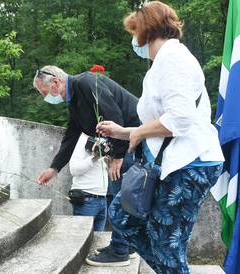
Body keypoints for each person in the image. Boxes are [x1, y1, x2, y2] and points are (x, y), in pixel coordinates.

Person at [86, 2, 224, 273]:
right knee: (125, 218)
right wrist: (123, 132)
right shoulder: (164, 61)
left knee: (167, 245)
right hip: (175, 162)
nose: (133, 38)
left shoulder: (173, 58)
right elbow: (161, 123)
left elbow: (180, 119)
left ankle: (172, 269)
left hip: (188, 165)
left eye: (134, 30)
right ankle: (171, 269)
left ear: (145, 30)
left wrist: (138, 131)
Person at [33, 65, 140, 265]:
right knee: (120, 193)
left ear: (56, 82)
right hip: (125, 144)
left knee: (120, 195)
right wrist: (54, 168)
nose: (45, 98)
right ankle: (125, 244)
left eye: (45, 93)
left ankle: (119, 251)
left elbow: (114, 116)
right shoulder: (74, 99)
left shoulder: (87, 83)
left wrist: (117, 155)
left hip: (133, 140)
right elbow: (72, 135)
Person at [69, 133, 109, 232]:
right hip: (86, 198)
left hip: (102, 198)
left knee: (97, 242)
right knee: (81, 240)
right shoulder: (83, 138)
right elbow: (74, 169)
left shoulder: (106, 140)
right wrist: (94, 157)